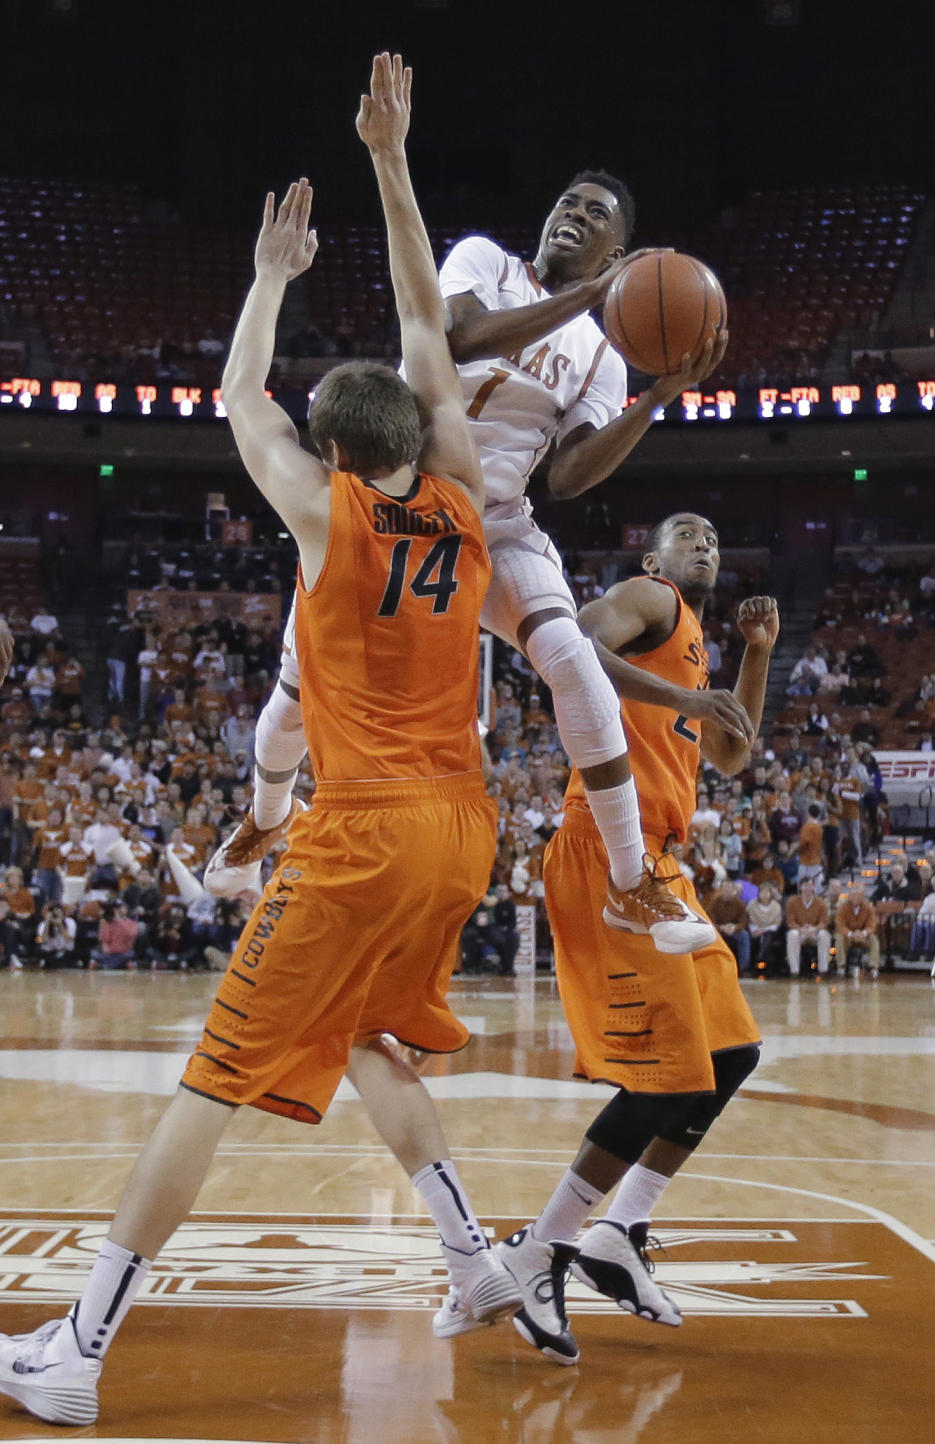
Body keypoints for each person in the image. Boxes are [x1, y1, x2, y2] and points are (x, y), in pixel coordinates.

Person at [0, 54, 521, 1427]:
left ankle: (81, 1348)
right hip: (464, 827)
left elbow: (241, 400)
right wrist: (394, 164)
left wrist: (271, 281)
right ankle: (471, 1262)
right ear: (419, 431)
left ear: (334, 457)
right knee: (363, 1038)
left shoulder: (326, 516)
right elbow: (424, 311)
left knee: (212, 1078)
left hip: (361, 835)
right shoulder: (462, 493)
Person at [205, 147, 726, 960]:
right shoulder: (486, 258)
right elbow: (453, 334)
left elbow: (572, 474)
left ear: (619, 253)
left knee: (572, 656)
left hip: (498, 523)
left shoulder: (603, 355)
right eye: (568, 201)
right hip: (401, 499)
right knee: (297, 689)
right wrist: (592, 296)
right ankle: (265, 818)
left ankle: (632, 881)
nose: (573, 215)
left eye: (596, 215)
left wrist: (655, 400)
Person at [488, 513, 777, 1365]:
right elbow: (570, 647)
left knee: (730, 1057)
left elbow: (731, 753)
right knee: (665, 1077)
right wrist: (686, 697)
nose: (707, 545)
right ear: (655, 558)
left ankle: (622, 1228)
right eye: (689, 535)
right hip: (607, 851)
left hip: (662, 862)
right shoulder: (649, 599)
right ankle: (541, 1249)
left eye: (717, 540)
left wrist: (756, 652)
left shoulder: (693, 643)